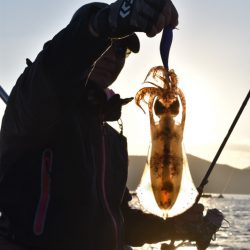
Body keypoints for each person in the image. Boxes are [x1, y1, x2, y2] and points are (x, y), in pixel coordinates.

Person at [0, 0, 205, 249]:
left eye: (122, 50)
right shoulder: (36, 101)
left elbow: (118, 221)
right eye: (109, 43)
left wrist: (177, 226)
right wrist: (102, 23)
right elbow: (59, 62)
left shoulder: (111, 138)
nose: (113, 55)